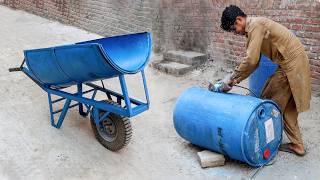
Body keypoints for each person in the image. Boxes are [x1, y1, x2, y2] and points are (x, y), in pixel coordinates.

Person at [215, 5, 311, 156]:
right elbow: (255, 62)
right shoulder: (254, 28)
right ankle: (298, 145)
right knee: (286, 106)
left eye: (234, 29)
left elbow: (251, 60)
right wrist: (235, 80)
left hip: (291, 64)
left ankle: (264, 141)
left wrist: (232, 77)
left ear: (239, 19)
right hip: (294, 62)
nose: (235, 33)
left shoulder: (255, 26)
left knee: (268, 100)